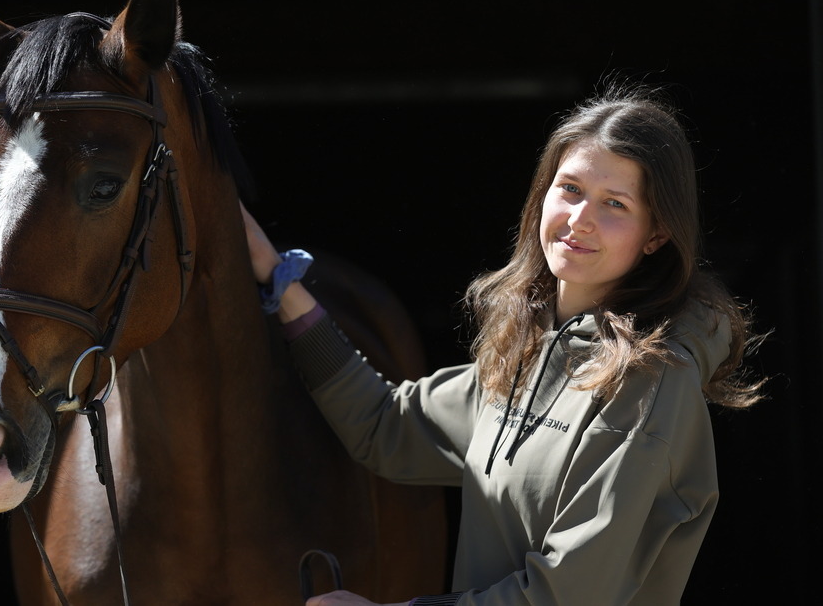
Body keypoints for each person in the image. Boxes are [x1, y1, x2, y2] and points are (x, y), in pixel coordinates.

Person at [242, 85, 766, 605]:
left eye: (615, 204)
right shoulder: (528, 351)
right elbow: (385, 426)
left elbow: (566, 596)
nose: (580, 218)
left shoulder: (653, 381)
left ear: (655, 236)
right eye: (571, 189)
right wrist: (279, 280)